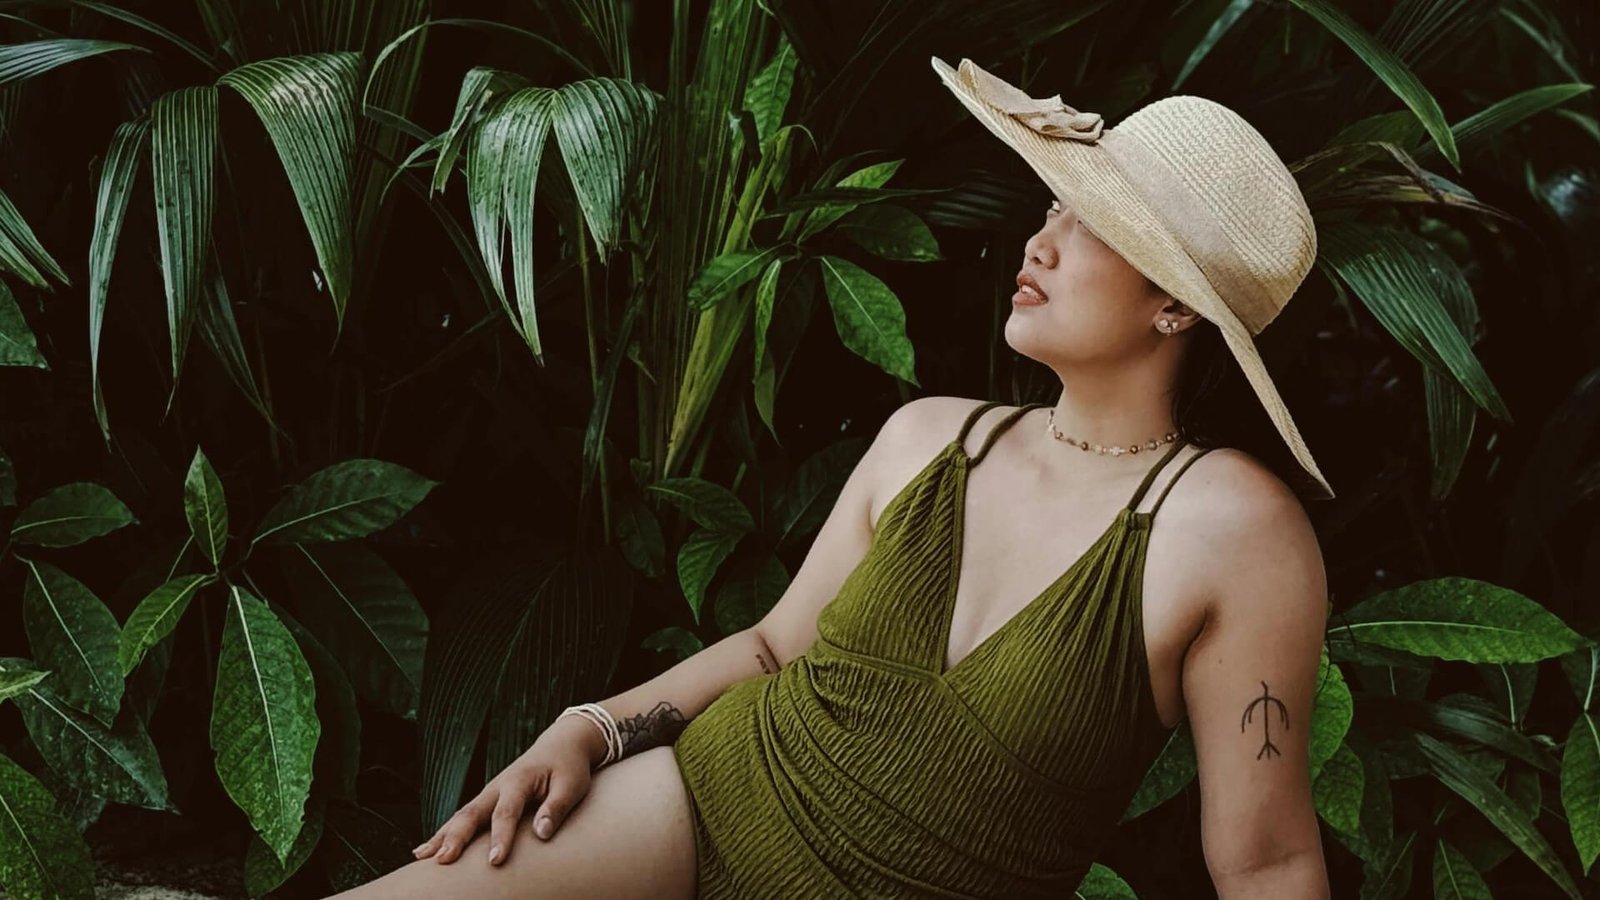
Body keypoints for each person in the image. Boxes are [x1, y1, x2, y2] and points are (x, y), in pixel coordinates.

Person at [333, 57, 1334, 899]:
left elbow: (1267, 862)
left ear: (1176, 308)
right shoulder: (930, 436)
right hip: (698, 807)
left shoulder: (1233, 529)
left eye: (1092, 225)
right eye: (1052, 207)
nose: (1039, 243)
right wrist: (591, 728)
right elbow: (773, 647)